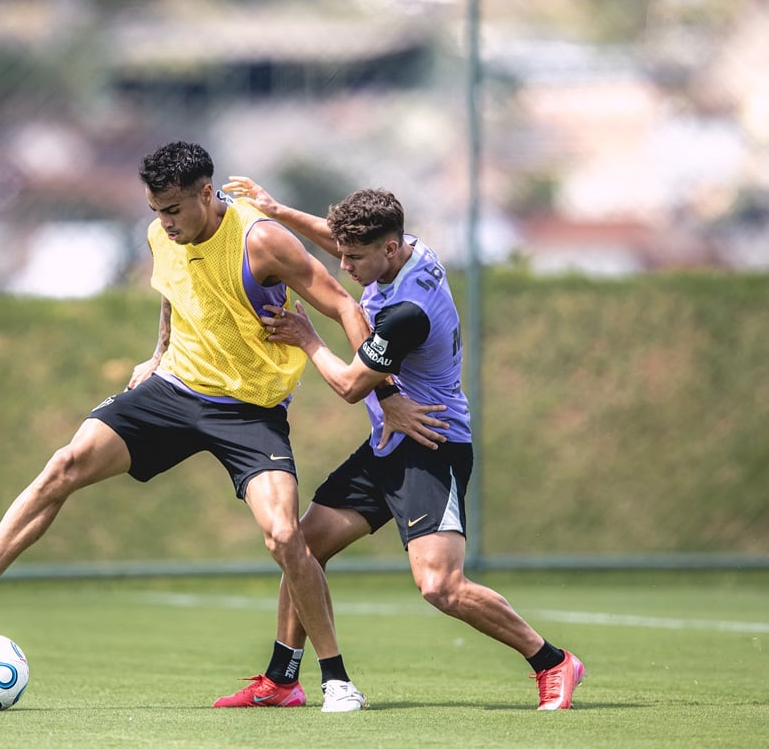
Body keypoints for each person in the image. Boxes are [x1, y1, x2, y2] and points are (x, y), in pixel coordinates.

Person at [0, 141, 394, 713]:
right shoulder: (163, 234)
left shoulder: (260, 241)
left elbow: (342, 302)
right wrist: (157, 353)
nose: (162, 223)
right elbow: (175, 292)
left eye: (172, 210)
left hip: (250, 409)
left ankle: (335, 680)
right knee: (64, 464)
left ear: (206, 195)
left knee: (286, 537)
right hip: (175, 390)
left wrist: (382, 390)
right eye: (154, 211)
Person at [213, 177, 586, 711]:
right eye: (343, 254)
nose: (345, 268)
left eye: (355, 258)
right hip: (388, 442)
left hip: (431, 442)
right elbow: (345, 240)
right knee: (302, 548)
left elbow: (347, 385)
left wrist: (307, 336)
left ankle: (552, 662)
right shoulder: (403, 248)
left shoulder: (407, 310)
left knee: (440, 585)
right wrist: (279, 210)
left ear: (389, 248)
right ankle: (281, 681)